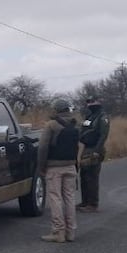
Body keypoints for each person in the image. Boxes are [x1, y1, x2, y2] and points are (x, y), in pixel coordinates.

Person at [37, 98, 80, 243]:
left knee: (55, 198)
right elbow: (77, 147)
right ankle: (71, 232)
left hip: (54, 167)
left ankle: (58, 231)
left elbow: (43, 147)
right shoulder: (75, 125)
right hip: (71, 165)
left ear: (56, 110)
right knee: (70, 198)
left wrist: (41, 166)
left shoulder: (51, 125)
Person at [77, 95, 110, 212]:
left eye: (92, 101)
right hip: (85, 148)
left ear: (99, 102)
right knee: (84, 176)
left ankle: (92, 204)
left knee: (92, 177)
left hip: (95, 148)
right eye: (88, 102)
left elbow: (103, 135)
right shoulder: (90, 116)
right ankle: (85, 201)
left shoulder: (102, 117)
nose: (90, 104)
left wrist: (97, 150)